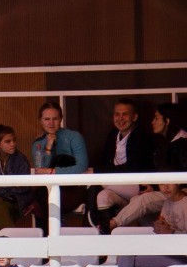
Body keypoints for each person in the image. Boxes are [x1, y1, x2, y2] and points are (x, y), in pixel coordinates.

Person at [104, 103, 187, 234]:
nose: (152, 122)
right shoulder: (162, 142)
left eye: (156, 118)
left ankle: (109, 226)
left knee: (143, 200)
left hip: (179, 193)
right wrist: (153, 186)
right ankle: (153, 234)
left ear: (167, 121)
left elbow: (178, 175)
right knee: (136, 200)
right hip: (165, 190)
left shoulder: (183, 144)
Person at [86, 97, 155, 228]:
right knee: (103, 196)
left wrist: (95, 171)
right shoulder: (112, 135)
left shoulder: (141, 136)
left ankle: (90, 223)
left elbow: (133, 168)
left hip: (137, 186)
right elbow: (106, 163)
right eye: (117, 114)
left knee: (97, 180)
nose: (120, 118)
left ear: (134, 117)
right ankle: (107, 231)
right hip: (117, 187)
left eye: (125, 114)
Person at [29, 101, 89, 218]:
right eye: (47, 119)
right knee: (39, 195)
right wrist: (48, 148)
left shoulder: (74, 137)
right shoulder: (38, 143)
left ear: (61, 119)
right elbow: (40, 171)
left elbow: (82, 166)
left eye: (55, 119)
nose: (51, 123)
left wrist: (53, 171)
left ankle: (54, 227)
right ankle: (53, 227)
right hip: (47, 190)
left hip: (72, 187)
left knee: (44, 199)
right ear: (40, 120)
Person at [115, 183, 187, 267]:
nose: (165, 187)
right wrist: (159, 228)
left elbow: (173, 234)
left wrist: (171, 232)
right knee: (127, 256)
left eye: (170, 182)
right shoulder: (168, 202)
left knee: (127, 259)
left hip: (181, 256)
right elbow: (164, 230)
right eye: (162, 184)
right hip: (168, 251)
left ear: (178, 182)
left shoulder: (185, 203)